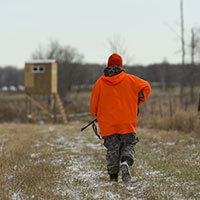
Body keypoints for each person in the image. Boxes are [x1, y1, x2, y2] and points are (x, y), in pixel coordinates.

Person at [90, 53, 151, 182]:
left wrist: (100, 115)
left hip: (108, 125)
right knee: (129, 143)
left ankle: (113, 177)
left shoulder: (100, 83)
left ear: (108, 65)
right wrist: (137, 101)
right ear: (121, 65)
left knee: (113, 149)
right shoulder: (131, 80)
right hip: (127, 122)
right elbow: (147, 87)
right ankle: (125, 161)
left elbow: (93, 107)